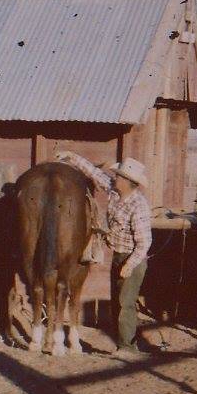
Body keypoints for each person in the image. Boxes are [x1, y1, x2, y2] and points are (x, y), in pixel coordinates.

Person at [56, 151, 153, 353]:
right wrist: (72, 156)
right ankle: (122, 344)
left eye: (118, 176)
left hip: (132, 259)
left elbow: (144, 243)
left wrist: (129, 265)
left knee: (125, 304)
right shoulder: (115, 192)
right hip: (119, 256)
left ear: (127, 181)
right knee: (117, 304)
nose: (114, 177)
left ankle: (128, 347)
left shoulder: (139, 205)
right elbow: (93, 173)